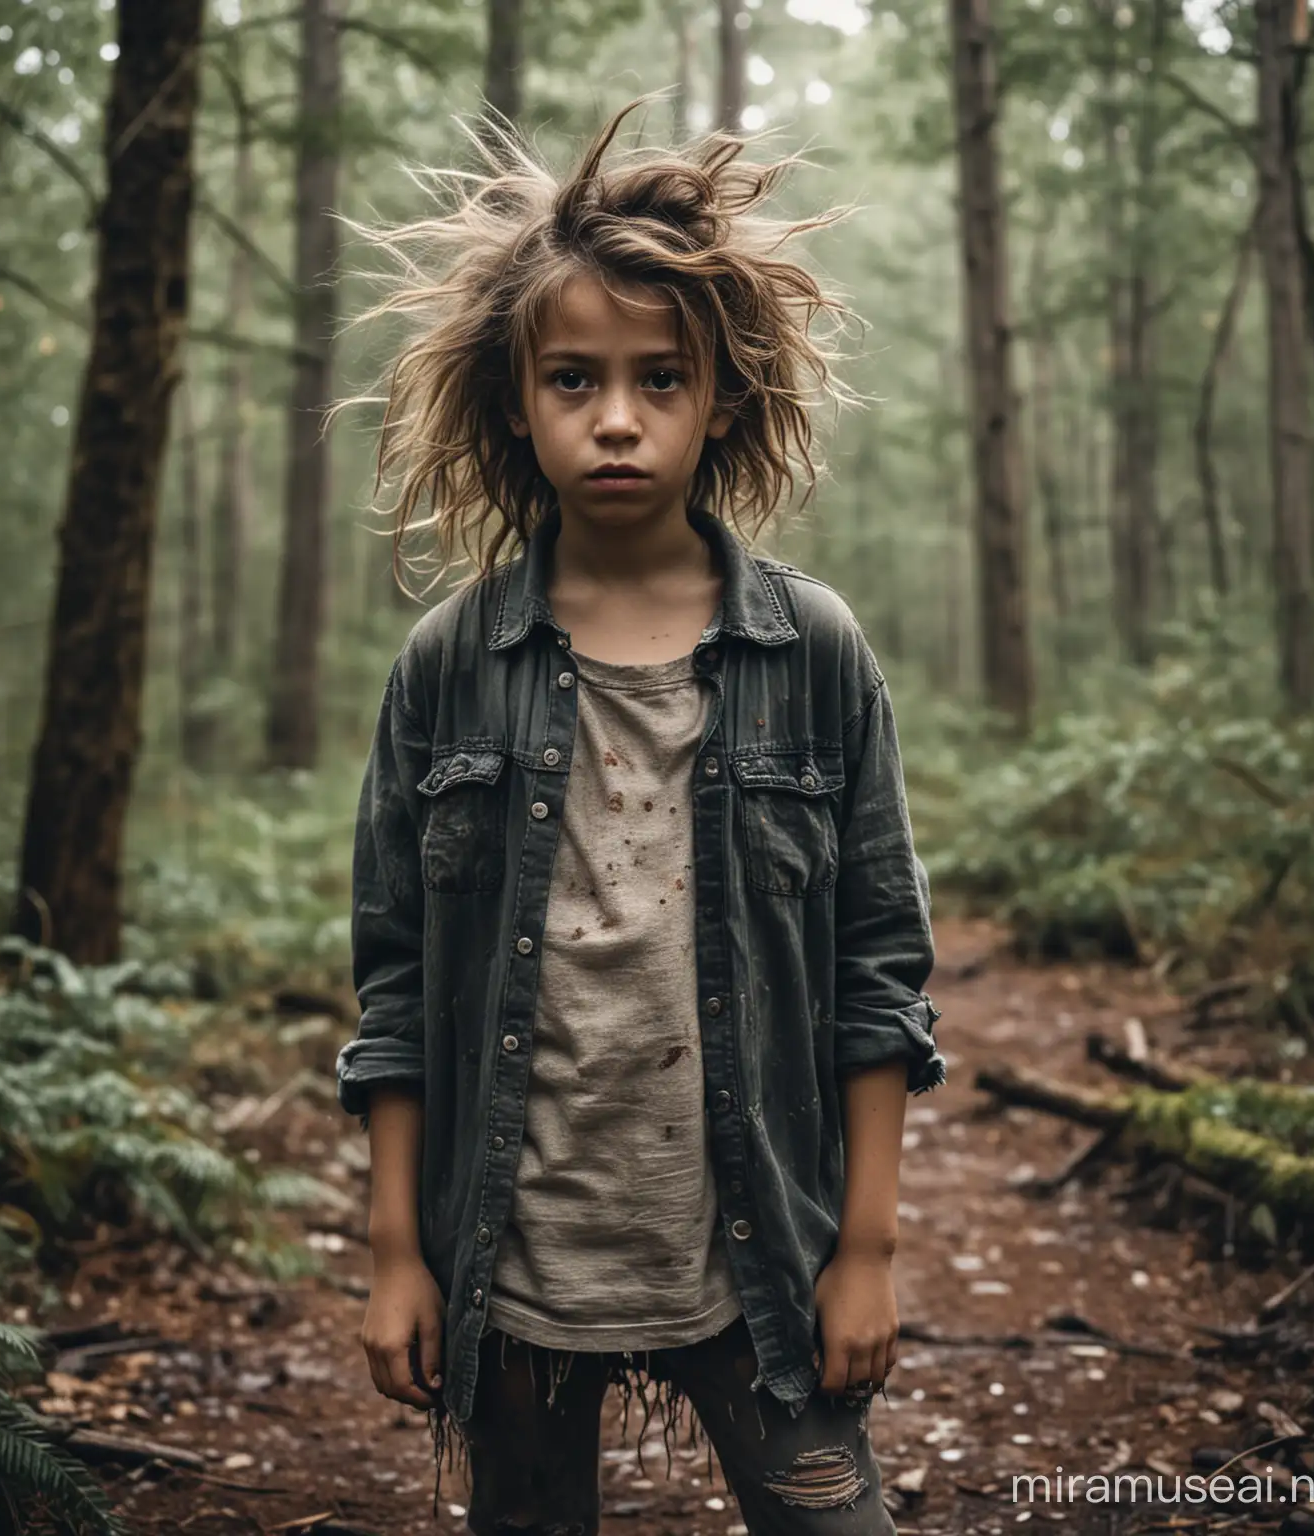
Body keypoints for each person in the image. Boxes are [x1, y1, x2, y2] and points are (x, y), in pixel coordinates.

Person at [334, 97, 945, 1536]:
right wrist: (392, 1253)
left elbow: (880, 973)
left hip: (766, 1260)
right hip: (514, 1260)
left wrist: (867, 1248)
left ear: (721, 394)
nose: (617, 417)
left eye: (660, 379)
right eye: (575, 381)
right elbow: (398, 989)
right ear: (517, 400)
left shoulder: (815, 654)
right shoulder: (445, 667)